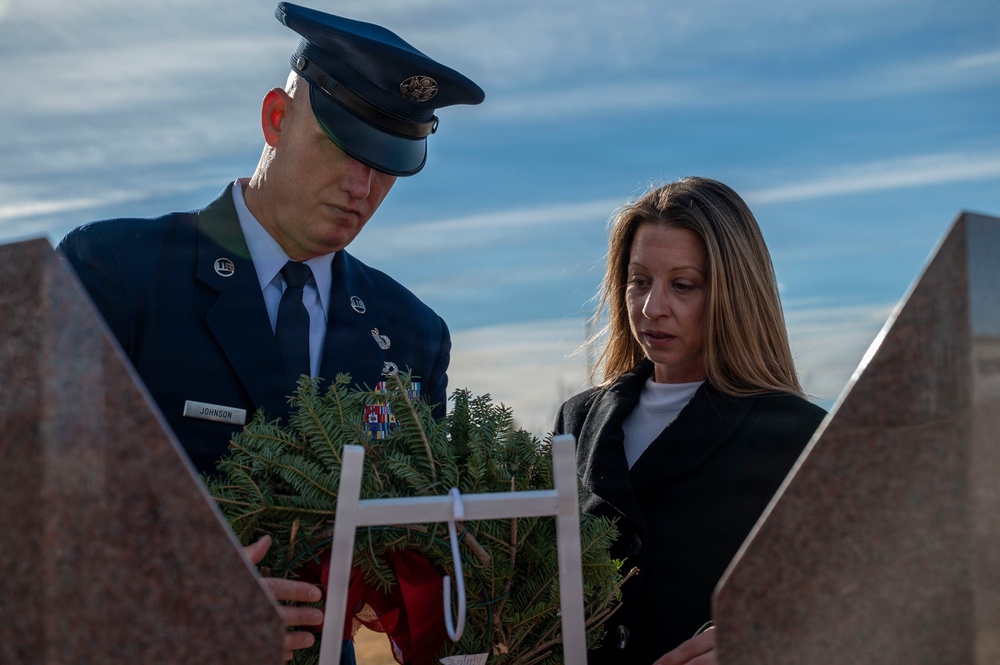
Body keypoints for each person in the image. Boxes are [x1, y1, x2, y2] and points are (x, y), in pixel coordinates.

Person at [57, 3, 483, 662]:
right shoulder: (116, 274)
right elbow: (40, 503)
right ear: (276, 120)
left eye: (386, 164)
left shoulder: (410, 334)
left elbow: (413, 545)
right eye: (343, 146)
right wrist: (173, 604)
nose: (361, 186)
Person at [553, 177, 827, 665]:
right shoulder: (577, 418)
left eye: (683, 285)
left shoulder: (803, 435)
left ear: (734, 292)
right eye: (639, 281)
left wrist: (768, 638)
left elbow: (855, 593)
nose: (652, 308)